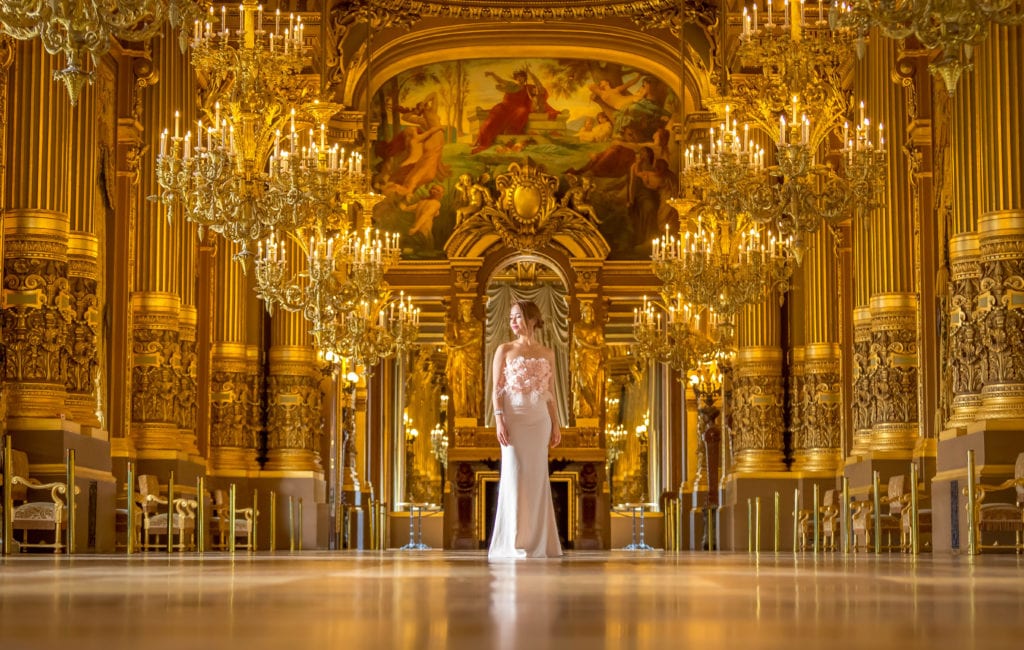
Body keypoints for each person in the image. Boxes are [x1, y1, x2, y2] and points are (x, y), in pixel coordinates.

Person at [488, 300, 563, 559]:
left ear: (531, 319)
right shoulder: (505, 350)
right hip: (514, 419)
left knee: (537, 478)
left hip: (539, 420)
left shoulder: (547, 353)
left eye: (517, 316)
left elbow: (549, 392)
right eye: (510, 317)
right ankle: (514, 541)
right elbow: (496, 389)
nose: (512, 321)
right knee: (515, 475)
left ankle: (539, 542)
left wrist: (556, 423)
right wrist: (499, 420)